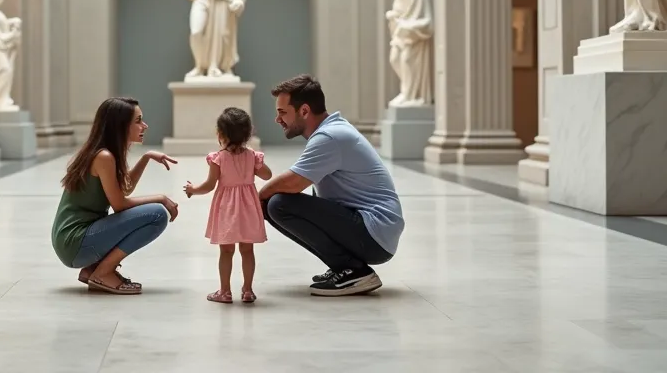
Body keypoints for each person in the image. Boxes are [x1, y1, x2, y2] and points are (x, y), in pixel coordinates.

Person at [258, 75, 404, 297]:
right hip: (374, 232)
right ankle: (344, 267)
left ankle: (354, 271)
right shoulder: (331, 131)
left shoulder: (329, 137)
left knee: (278, 204)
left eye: (282, 112)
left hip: (374, 234)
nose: (277, 119)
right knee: (274, 203)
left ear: (304, 111)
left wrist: (256, 198)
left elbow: (293, 182)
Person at [51, 96, 180, 295]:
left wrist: (145, 158)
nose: (144, 126)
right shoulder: (104, 157)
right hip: (74, 242)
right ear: (120, 125)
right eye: (138, 121)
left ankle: (92, 270)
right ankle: (103, 273)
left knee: (153, 213)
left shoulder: (103, 153)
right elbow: (120, 204)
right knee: (157, 214)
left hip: (71, 241)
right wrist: (161, 198)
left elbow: (124, 189)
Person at [183, 107, 272, 304]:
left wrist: (192, 189)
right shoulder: (252, 156)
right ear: (248, 134)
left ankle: (225, 291)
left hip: (227, 210)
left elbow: (209, 185)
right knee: (247, 250)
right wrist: (256, 165)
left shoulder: (218, 158)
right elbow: (267, 175)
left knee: (226, 251)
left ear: (220, 134)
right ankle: (248, 290)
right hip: (248, 208)